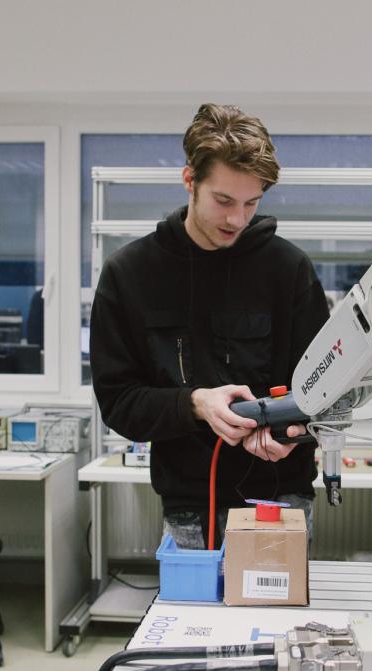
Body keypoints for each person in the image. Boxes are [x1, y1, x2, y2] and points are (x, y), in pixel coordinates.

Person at [90, 103, 330, 549]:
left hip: (280, 497)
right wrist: (194, 403)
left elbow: (326, 390)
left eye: (251, 203)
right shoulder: (131, 274)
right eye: (223, 201)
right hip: (188, 507)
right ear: (190, 181)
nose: (237, 219)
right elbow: (119, 403)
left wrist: (290, 435)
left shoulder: (288, 270)